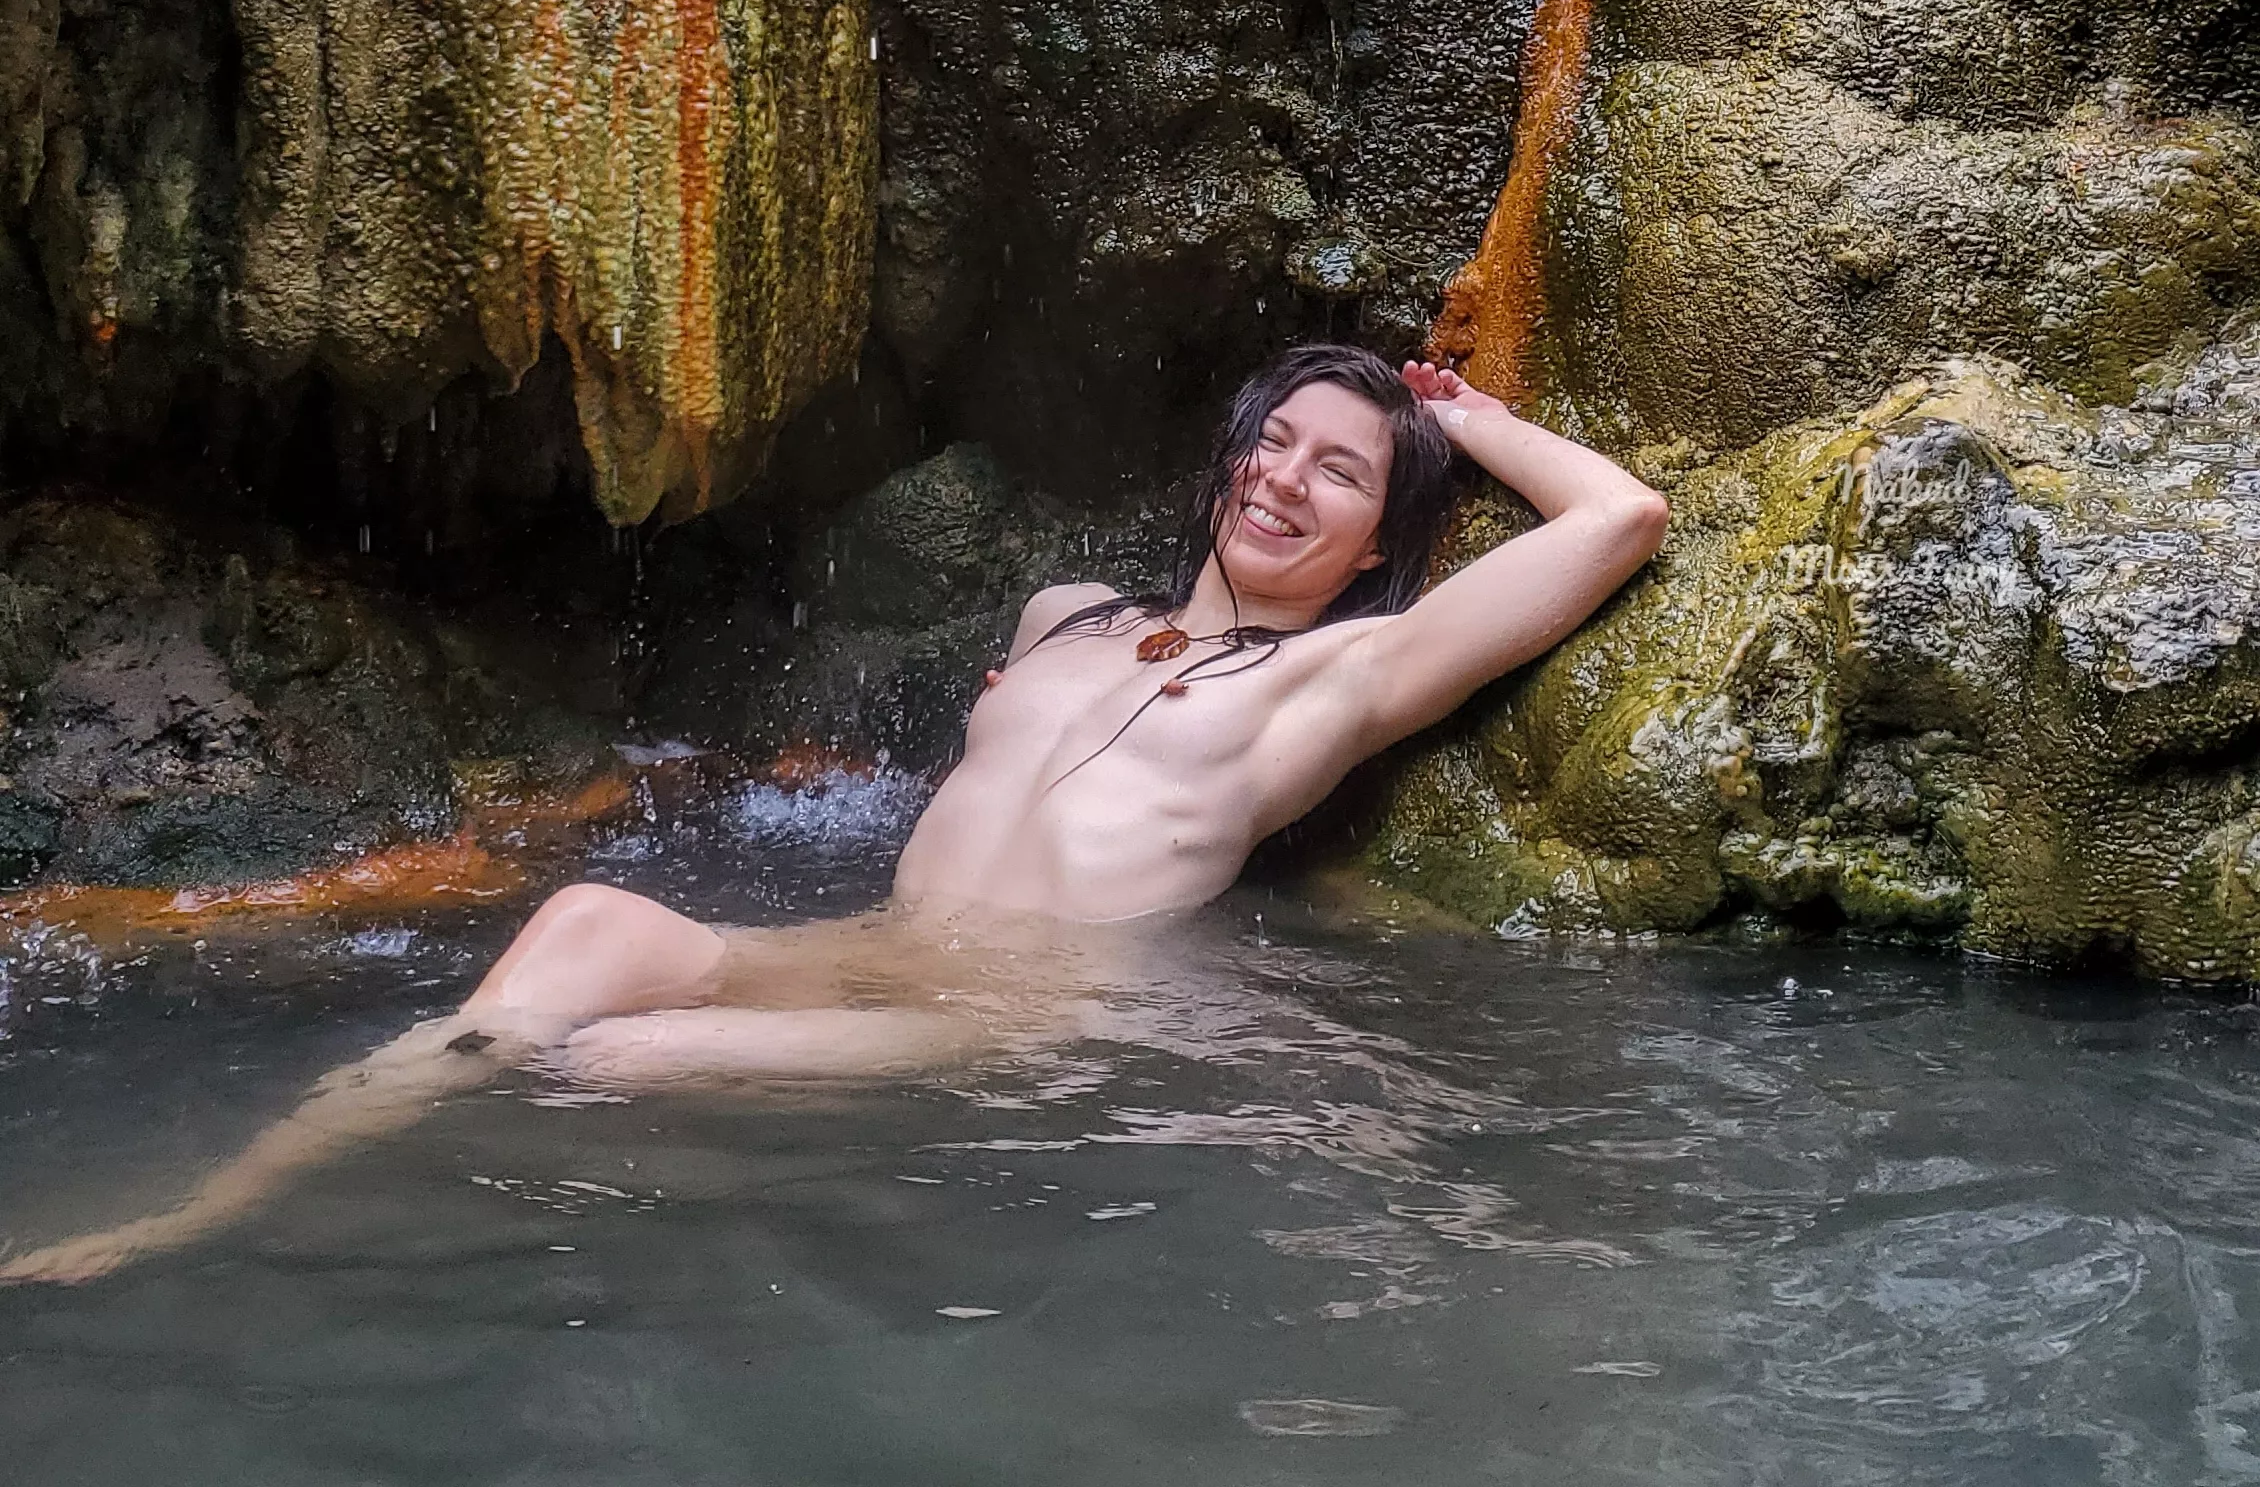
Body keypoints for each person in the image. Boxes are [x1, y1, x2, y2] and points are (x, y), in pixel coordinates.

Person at [0, 352, 1665, 1282]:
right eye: (1273, 441)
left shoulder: (1343, 676)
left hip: (1030, 1011)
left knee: (605, 1059)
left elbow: (1622, 516)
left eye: (1340, 471)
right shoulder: (1066, 612)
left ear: (1377, 542)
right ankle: (222, 1201)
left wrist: (1463, 417)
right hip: (875, 947)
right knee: (582, 929)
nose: (1284, 479)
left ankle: (279, 1252)